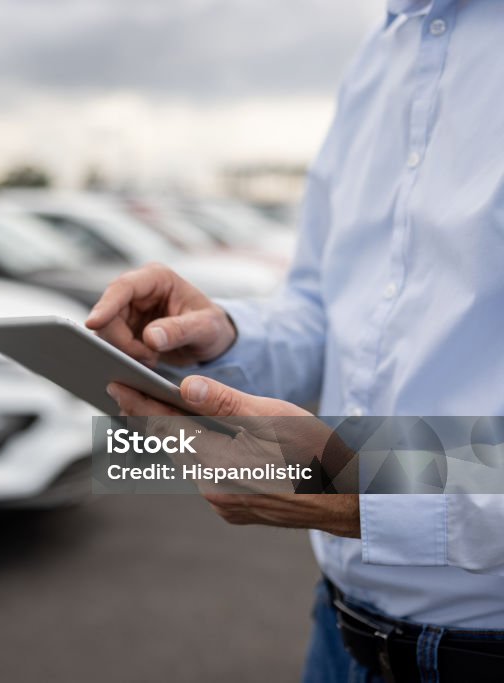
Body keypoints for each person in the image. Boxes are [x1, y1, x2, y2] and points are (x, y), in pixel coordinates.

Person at [85, 1, 504, 680]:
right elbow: (324, 307)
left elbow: (352, 472)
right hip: (338, 633)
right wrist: (224, 338)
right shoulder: (380, 55)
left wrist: (350, 480)